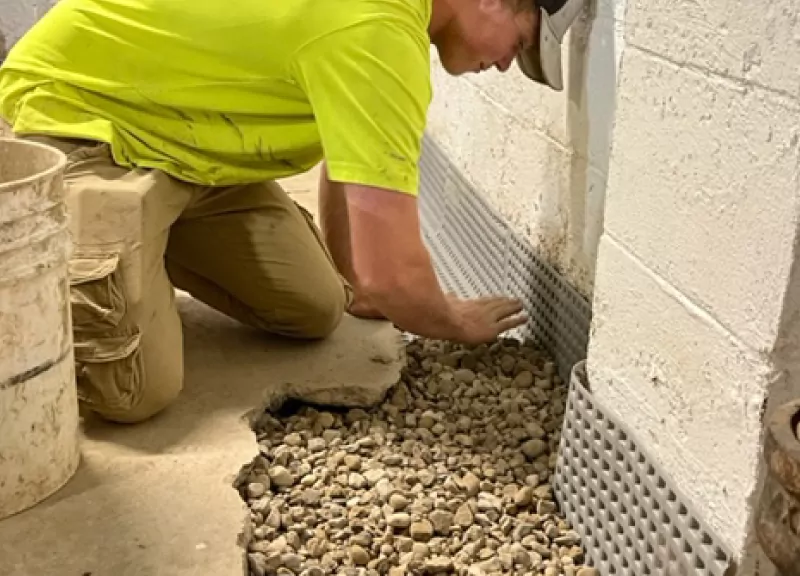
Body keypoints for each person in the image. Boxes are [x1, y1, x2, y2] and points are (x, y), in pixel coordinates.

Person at [0, 0, 585, 423]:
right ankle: (58, 251)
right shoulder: (375, 31)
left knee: (313, 308)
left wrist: (359, 286)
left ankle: (146, 247)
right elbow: (397, 275)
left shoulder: (393, 23)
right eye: (521, 41)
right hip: (86, 114)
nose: (509, 65)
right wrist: (454, 322)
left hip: (195, 150)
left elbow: (349, 163)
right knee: (137, 394)